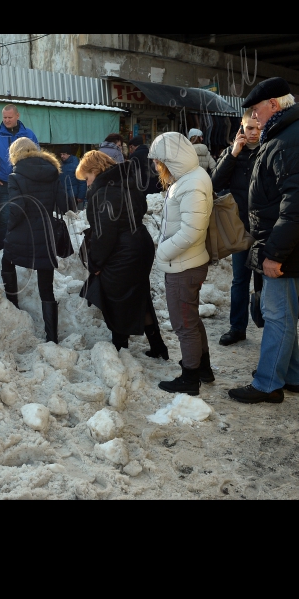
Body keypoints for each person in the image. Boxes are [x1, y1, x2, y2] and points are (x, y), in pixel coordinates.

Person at [229, 77, 299, 405]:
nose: (254, 118)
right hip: (292, 244)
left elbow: (298, 204)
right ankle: (292, 376)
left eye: (257, 110)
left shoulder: (292, 138)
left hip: (287, 247)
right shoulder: (293, 132)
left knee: (276, 315)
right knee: (284, 313)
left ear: (274, 104)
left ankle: (268, 384)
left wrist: (274, 253)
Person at [77, 151, 168, 359]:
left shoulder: (103, 192)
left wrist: (96, 263)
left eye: (87, 178)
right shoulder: (128, 182)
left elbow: (104, 234)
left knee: (117, 299)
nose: (88, 184)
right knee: (139, 296)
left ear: (95, 171)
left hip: (122, 251)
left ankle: (119, 350)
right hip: (141, 245)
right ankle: (158, 346)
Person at [149, 133, 214, 396]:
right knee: (191, 319)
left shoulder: (191, 184)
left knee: (183, 324)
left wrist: (162, 252)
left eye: (157, 161)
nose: (155, 167)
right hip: (187, 262)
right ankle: (202, 368)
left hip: (183, 265)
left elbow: (192, 231)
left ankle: (190, 379)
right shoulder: (189, 179)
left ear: (169, 160)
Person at [1, 138, 67, 344]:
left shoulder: (16, 176)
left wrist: (10, 227)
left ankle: (13, 308)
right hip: (46, 234)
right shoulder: (52, 171)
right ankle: (52, 337)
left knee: (7, 261)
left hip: (23, 232)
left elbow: (17, 208)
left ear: (15, 153)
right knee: (46, 284)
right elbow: (63, 203)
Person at [211, 110, 262, 346]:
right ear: (241, 129)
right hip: (240, 228)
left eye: (257, 127)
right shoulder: (232, 153)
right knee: (240, 280)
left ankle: (268, 327)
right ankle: (237, 327)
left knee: (265, 282)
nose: (253, 133)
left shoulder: (270, 150)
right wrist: (233, 154)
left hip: (265, 229)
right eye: (249, 128)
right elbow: (214, 183)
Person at [0, 105, 39, 252]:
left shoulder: (29, 135)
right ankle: (2, 252)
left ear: (17, 116)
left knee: (23, 216)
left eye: (9, 117)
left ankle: (22, 251)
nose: (6, 120)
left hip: (23, 184)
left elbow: (37, 158)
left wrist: (31, 178)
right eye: (4, 117)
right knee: (4, 219)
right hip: (2, 184)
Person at [59, 147, 87, 212]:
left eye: (64, 154)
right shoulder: (61, 164)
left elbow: (82, 181)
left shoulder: (76, 164)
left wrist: (81, 196)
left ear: (69, 154)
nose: (62, 156)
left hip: (73, 195)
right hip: (63, 194)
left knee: (72, 214)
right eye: (61, 154)